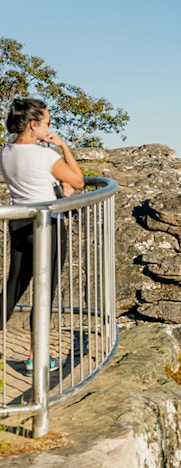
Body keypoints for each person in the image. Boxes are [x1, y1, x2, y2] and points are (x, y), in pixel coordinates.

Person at [0, 98, 84, 375]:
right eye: (48, 122)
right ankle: (37, 358)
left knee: (14, 286)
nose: (50, 127)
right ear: (34, 125)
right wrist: (63, 146)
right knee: (43, 294)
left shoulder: (6, 151)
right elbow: (78, 181)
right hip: (47, 225)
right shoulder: (46, 156)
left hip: (18, 221)